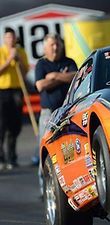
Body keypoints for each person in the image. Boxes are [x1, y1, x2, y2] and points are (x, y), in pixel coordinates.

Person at [35, 33, 77, 153]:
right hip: (48, 112)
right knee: (46, 146)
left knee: (68, 146)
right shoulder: (41, 64)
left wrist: (54, 76)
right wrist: (63, 77)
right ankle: (43, 172)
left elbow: (75, 76)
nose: (55, 47)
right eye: (52, 44)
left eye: (57, 44)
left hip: (67, 111)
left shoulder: (69, 62)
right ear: (45, 48)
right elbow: (40, 85)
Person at [0, 27, 29, 171]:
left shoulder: (20, 51)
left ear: (15, 38)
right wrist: (9, 59)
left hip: (17, 89)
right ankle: (1, 158)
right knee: (2, 124)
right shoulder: (1, 51)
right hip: (2, 90)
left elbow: (25, 73)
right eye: (8, 37)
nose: (10, 40)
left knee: (15, 124)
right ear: (4, 39)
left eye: (12, 37)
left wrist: (18, 59)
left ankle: (12, 156)